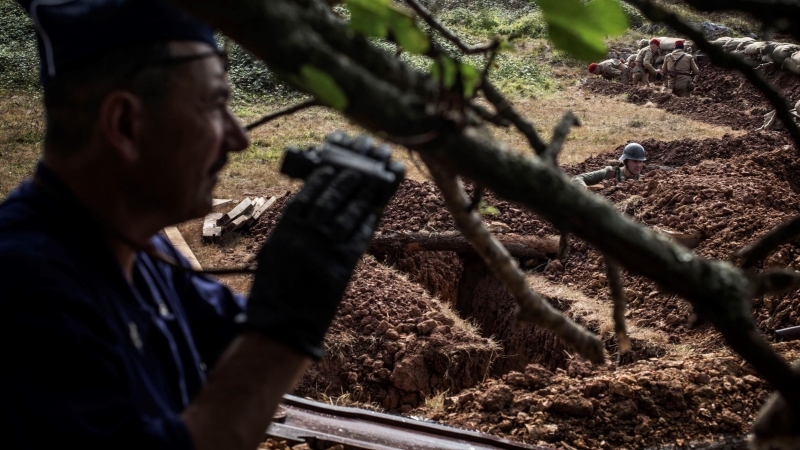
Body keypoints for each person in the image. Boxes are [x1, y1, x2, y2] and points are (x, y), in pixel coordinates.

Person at [0, 1, 403, 449]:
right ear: (125, 123)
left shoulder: (141, 250)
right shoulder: (27, 288)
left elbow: (238, 339)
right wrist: (289, 320)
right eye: (214, 106)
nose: (238, 137)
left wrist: (301, 270)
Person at [572, 143, 646, 188]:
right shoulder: (610, 173)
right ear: (625, 161)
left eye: (641, 161)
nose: (639, 165)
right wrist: (585, 189)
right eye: (635, 161)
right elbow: (577, 178)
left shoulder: (644, 181)